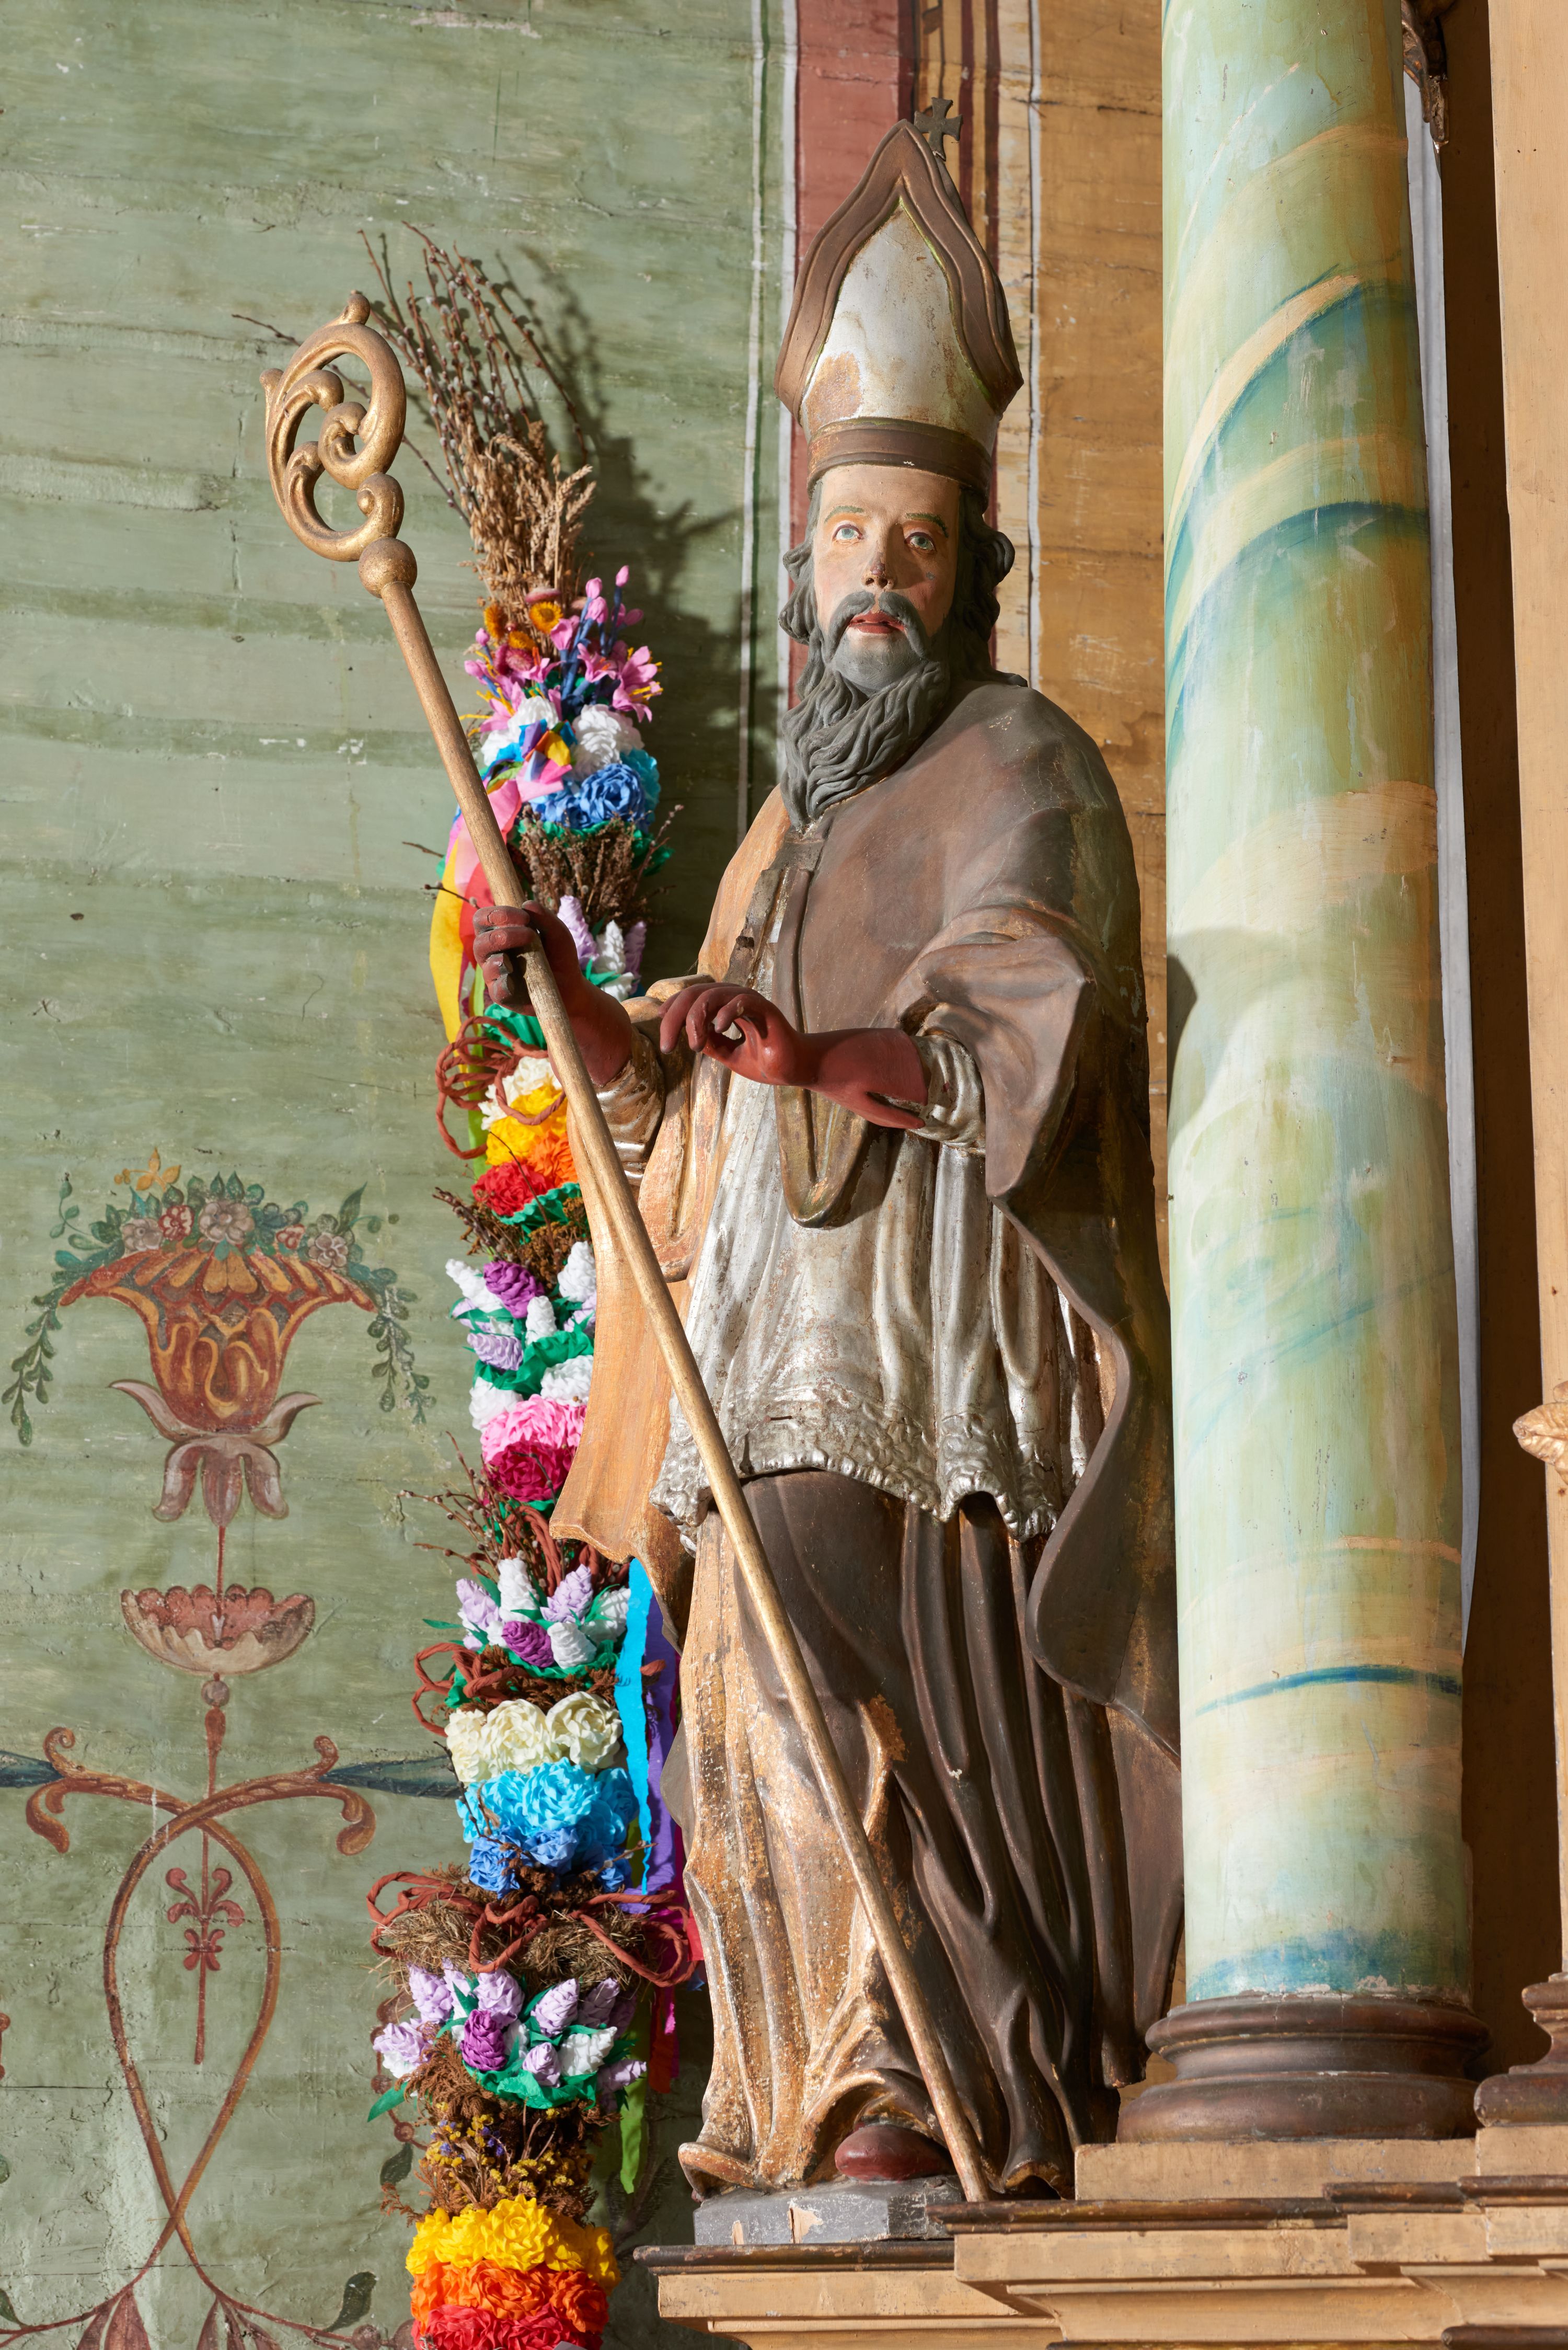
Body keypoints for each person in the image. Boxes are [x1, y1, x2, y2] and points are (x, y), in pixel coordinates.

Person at [471, 122, 1180, 2199]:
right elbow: (688, 1146)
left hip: (933, 1365)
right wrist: (592, 1019)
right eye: (851, 535)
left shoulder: (1020, 757)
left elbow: (1028, 1021)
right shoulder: (792, 826)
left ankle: (917, 2078)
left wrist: (830, 1054)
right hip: (765, 1355)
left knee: (838, 1643)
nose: (880, 577)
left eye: (919, 544)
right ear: (810, 564)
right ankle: (813, 2097)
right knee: (744, 1677)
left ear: (972, 569)